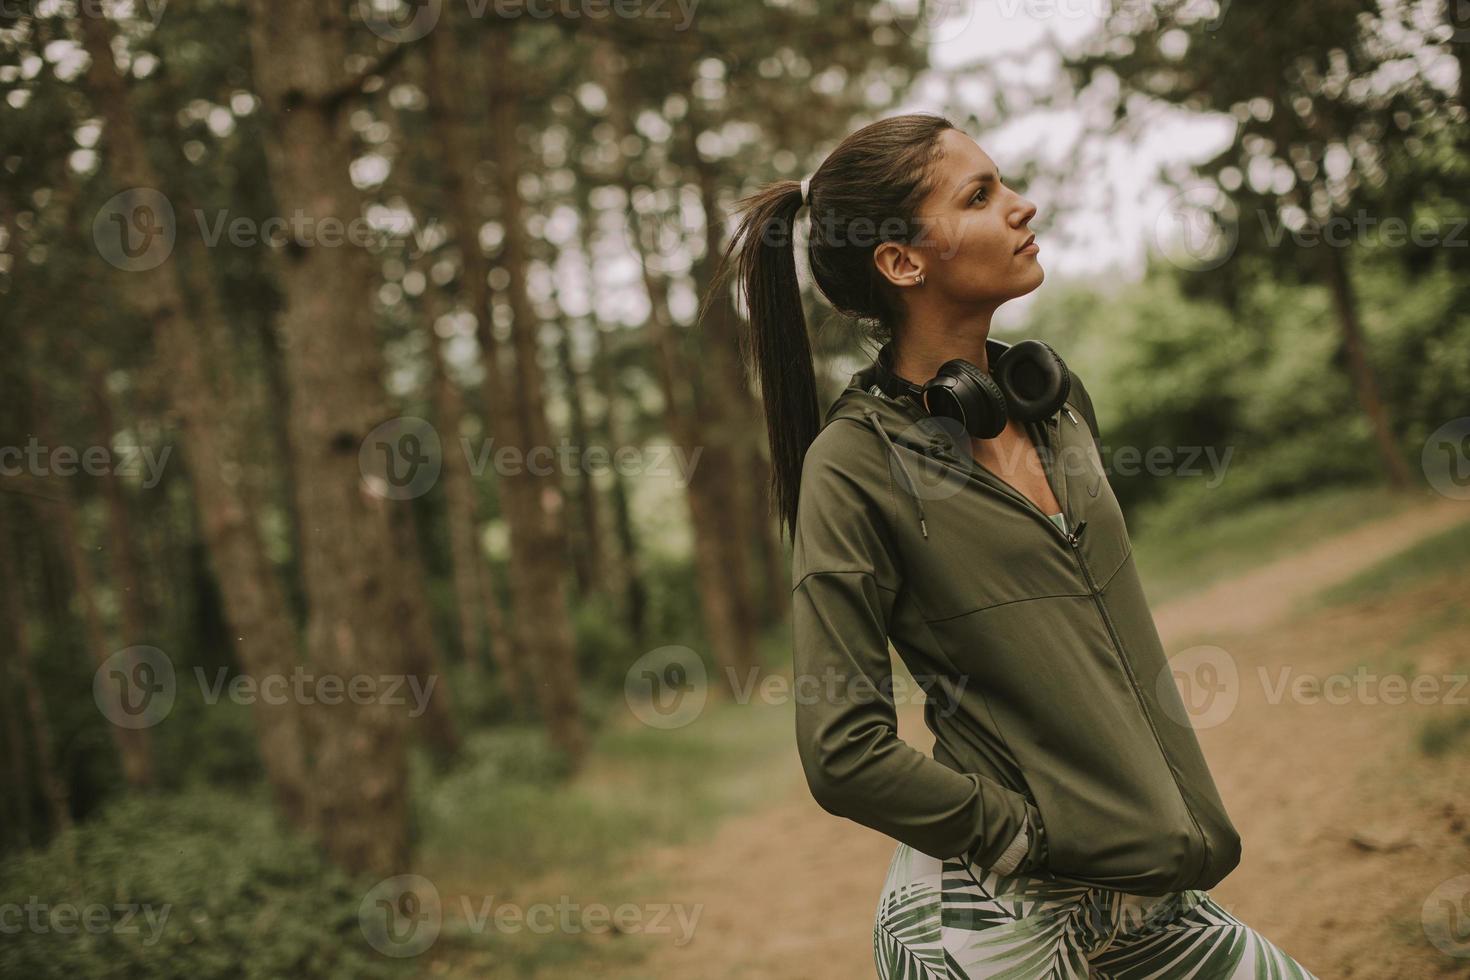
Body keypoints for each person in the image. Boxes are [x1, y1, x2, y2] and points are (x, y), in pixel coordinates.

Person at [704, 112, 1317, 977]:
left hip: (1139, 889)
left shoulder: (1054, 405)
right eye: (982, 195)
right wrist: (1027, 833)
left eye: (1006, 183)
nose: (1022, 207)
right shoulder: (851, 466)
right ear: (902, 261)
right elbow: (843, 751)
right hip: (985, 928)